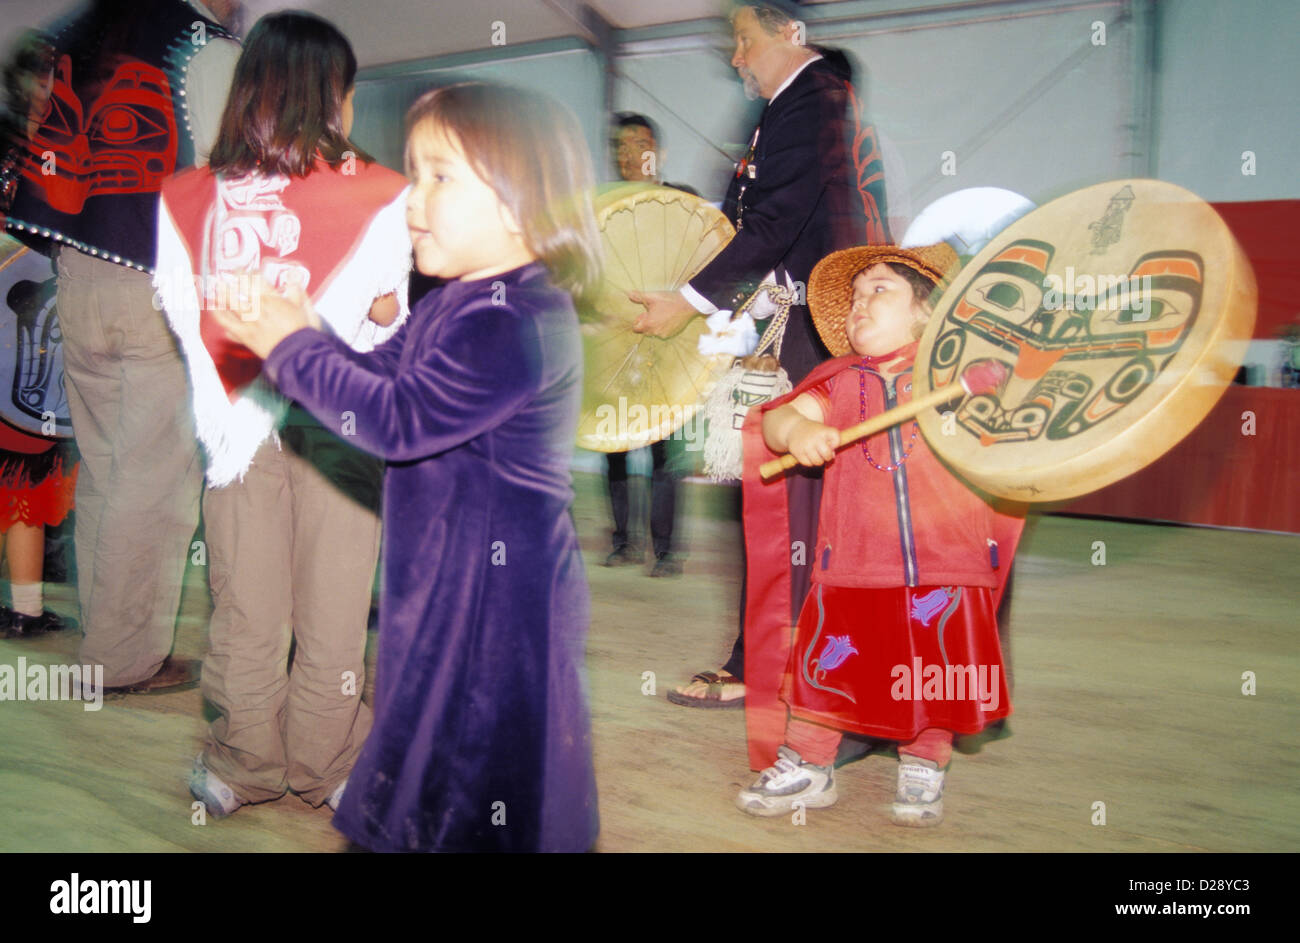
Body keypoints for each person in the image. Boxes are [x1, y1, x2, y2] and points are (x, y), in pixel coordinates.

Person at [216, 81, 600, 853]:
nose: (411, 198)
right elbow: (380, 374)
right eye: (412, 172)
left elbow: (396, 421)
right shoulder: (454, 302)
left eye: (440, 175)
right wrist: (307, 331)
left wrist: (292, 348)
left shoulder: (516, 318)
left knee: (479, 763)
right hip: (443, 578)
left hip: (499, 599)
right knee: (429, 736)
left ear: (525, 199)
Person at [154, 10, 410, 817]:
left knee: (244, 602)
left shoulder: (185, 196)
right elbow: (386, 317)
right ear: (329, 95)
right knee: (333, 603)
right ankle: (331, 766)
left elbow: (176, 300)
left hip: (234, 419)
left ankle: (243, 763)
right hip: (339, 418)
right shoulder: (381, 193)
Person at [735, 243, 1023, 826]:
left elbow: (1014, 434)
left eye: (879, 290)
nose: (858, 306)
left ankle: (924, 761)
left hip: (947, 561)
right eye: (855, 297)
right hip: (853, 562)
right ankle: (809, 762)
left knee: (935, 666)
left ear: (926, 312)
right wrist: (795, 434)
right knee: (828, 667)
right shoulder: (841, 382)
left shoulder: (959, 379)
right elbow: (780, 416)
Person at [635, 2, 871, 709]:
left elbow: (773, 224)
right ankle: (774, 657)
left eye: (743, 40)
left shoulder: (813, 98)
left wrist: (688, 300)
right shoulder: (786, 108)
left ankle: (785, 664)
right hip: (781, 326)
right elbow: (745, 221)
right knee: (774, 501)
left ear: (788, 34)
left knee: (789, 504)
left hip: (810, 336)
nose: (734, 57)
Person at [3, 0, 243, 692]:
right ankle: (122, 660)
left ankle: (105, 643)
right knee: (156, 484)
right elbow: (233, 177)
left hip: (77, 276)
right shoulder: (205, 49)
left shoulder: (83, 33)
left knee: (106, 469)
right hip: (160, 285)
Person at [604, 112, 696, 576]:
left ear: (654, 151)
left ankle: (665, 550)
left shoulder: (682, 203)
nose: (627, 153)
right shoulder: (604, 208)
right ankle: (624, 542)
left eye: (637, 142)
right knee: (615, 445)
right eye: (619, 145)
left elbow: (706, 260)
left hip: (666, 345)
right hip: (618, 347)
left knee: (664, 447)